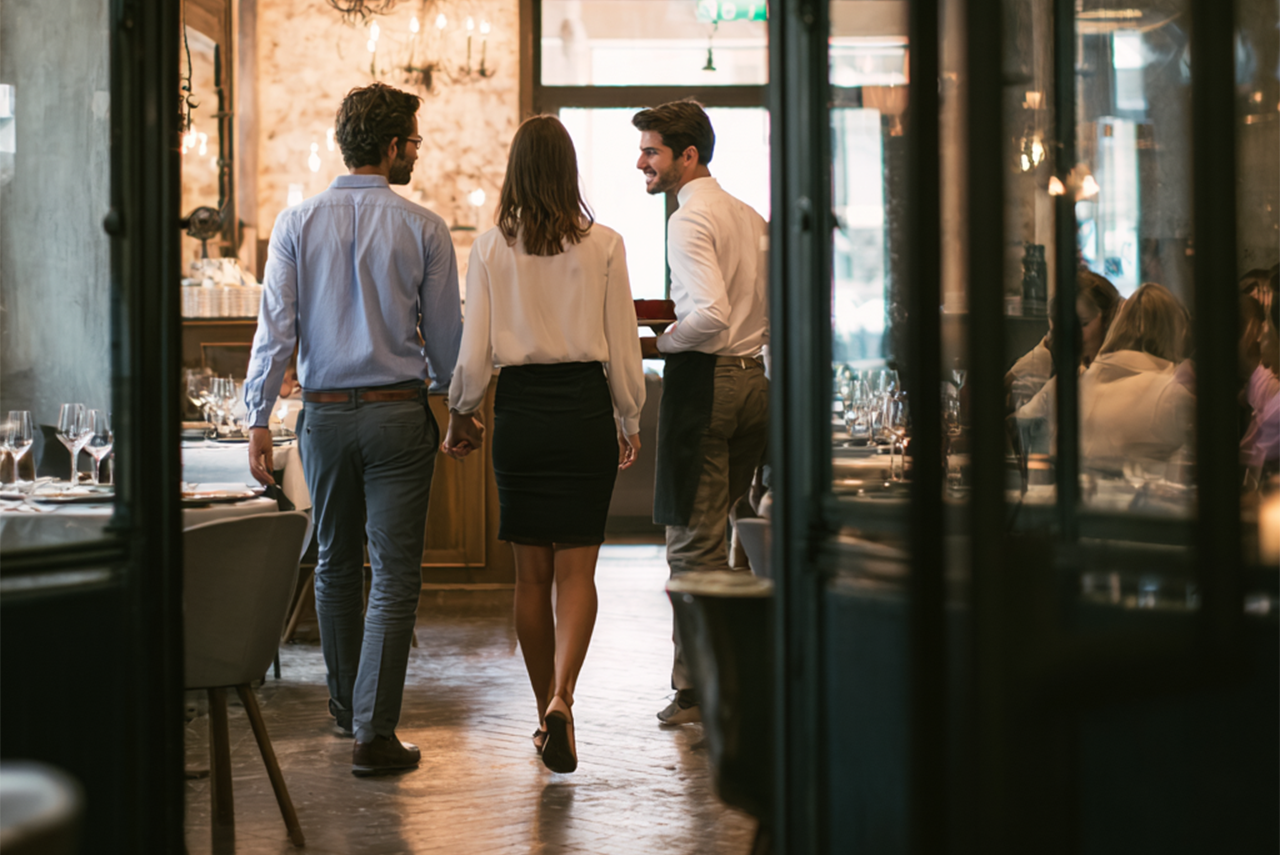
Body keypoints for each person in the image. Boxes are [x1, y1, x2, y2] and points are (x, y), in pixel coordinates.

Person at [242, 82, 462, 777]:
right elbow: (448, 341)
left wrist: (254, 417)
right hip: (400, 413)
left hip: (325, 417)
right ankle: (373, 729)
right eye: (414, 144)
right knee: (394, 574)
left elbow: (274, 331)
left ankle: (346, 708)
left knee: (335, 561)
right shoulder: (424, 227)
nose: (416, 155)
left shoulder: (294, 223)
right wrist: (462, 406)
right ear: (393, 145)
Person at [442, 115, 645, 774]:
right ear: (569, 169)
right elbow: (623, 345)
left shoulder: (490, 248)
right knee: (577, 573)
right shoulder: (606, 244)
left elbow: (474, 354)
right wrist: (628, 418)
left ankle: (544, 714)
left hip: (523, 412)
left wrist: (462, 412)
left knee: (529, 576)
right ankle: (565, 697)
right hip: (584, 408)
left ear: (515, 169)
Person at [632, 101, 769, 725]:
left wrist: (662, 343)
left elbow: (708, 315)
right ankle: (736, 675)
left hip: (708, 384)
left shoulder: (690, 219)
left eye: (653, 151)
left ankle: (698, 690)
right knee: (731, 539)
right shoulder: (750, 216)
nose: (643, 162)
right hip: (754, 383)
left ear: (688, 155)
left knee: (692, 544)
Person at [1077, 282, 1194, 472]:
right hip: (1139, 500)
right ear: (1177, 334)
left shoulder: (1085, 380)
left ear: (1119, 325)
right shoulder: (1171, 392)